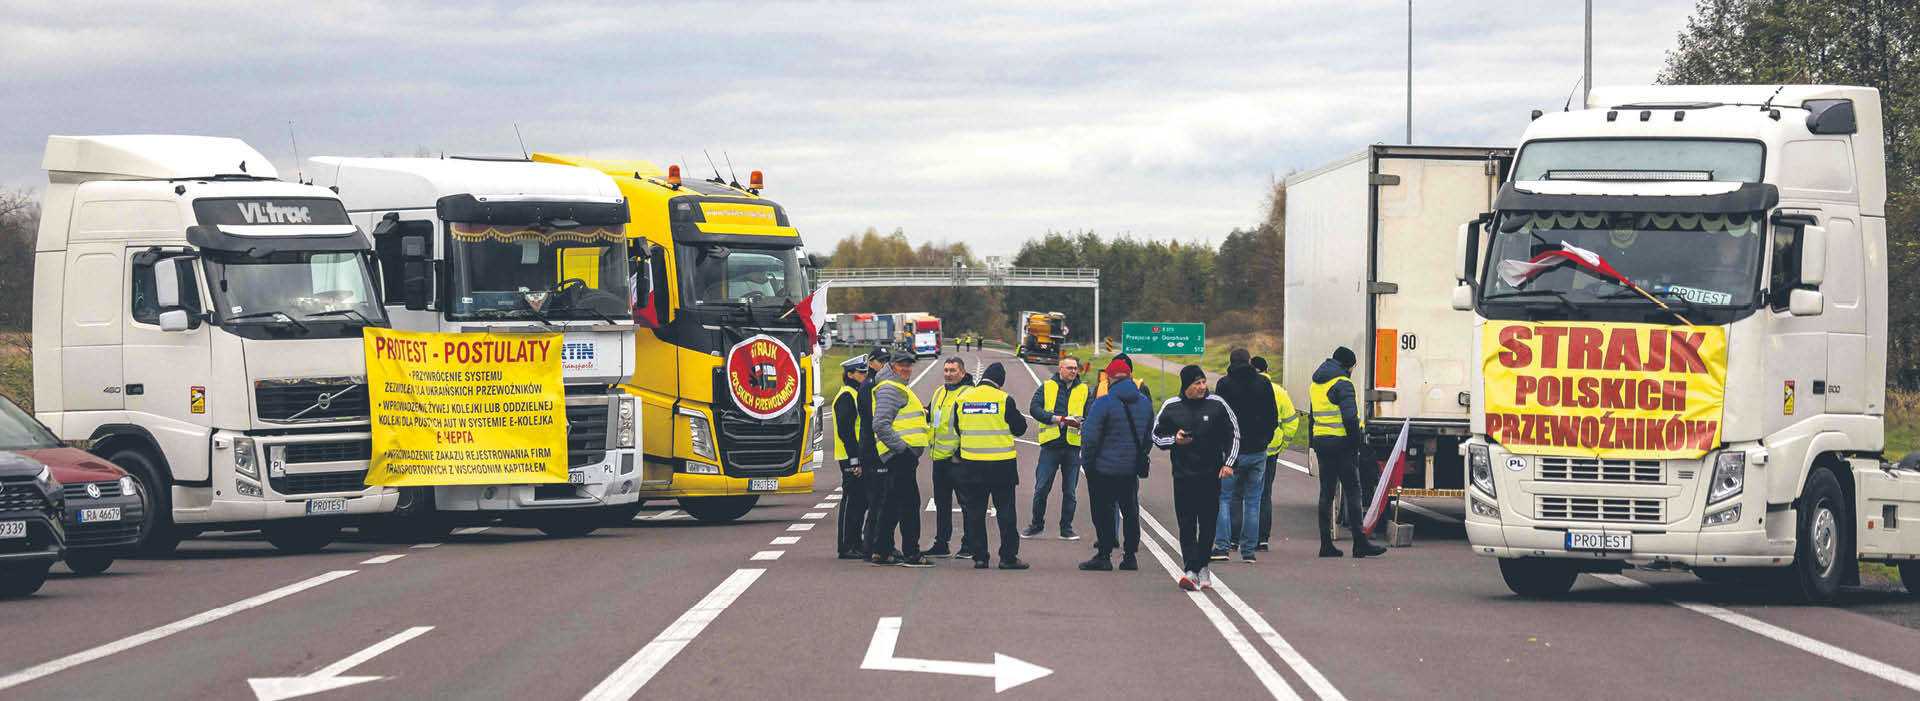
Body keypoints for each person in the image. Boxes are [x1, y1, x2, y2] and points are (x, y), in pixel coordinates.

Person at [1152, 365, 1239, 591]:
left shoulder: (1218, 404)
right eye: (1196, 384)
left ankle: (1203, 566)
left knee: (1208, 523)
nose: (1202, 387)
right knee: (1187, 524)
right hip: (1183, 476)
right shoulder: (1171, 407)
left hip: (1211, 475)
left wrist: (1229, 464)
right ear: (1186, 386)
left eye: (1203, 382)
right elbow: (1156, 436)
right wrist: (1174, 439)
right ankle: (1191, 570)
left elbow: (1234, 434)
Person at [952, 362, 1030, 570]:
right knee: (1006, 512)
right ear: (1000, 382)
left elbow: (957, 428)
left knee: (975, 513)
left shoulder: (963, 399)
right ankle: (1008, 557)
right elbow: (1020, 429)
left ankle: (980, 557)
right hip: (1001, 466)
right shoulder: (1004, 399)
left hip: (971, 465)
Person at [1311, 347, 1387, 559]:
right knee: (1353, 491)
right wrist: (1356, 444)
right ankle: (1359, 543)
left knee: (1326, 493)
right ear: (1348, 365)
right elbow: (1350, 418)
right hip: (1342, 444)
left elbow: (1313, 416)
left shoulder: (1316, 383)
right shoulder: (1343, 383)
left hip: (1321, 441)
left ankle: (1326, 545)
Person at [1078, 357, 1152, 572]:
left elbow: (1090, 437)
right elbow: (1148, 436)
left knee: (1103, 511)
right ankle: (1130, 557)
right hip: (1130, 470)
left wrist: (1088, 463)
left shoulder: (1104, 403)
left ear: (1109, 378)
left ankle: (1104, 555)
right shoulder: (1145, 403)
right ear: (1130, 376)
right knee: (1130, 511)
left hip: (1104, 468)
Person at [868, 350, 935, 567]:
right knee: (910, 504)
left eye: (909, 365)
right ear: (892, 366)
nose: (906, 369)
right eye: (902, 365)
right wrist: (903, 450)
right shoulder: (890, 388)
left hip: (899, 456)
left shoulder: (896, 386)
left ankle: (881, 550)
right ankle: (911, 553)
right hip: (899, 456)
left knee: (892, 503)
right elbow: (880, 423)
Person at [1211, 348, 1278, 563]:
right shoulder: (1263, 384)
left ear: (1231, 362)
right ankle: (1249, 551)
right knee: (1253, 500)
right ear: (1249, 361)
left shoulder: (1224, 384)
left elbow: (1218, 417)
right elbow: (1272, 417)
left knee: (1225, 498)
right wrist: (1264, 440)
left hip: (1231, 452)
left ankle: (1222, 546)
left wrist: (1222, 445)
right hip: (1258, 450)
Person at [1024, 356, 1087, 540]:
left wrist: (1082, 422)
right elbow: (1034, 408)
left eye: (1075, 368)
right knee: (1041, 488)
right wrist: (1055, 419)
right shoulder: (1047, 386)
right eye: (1069, 368)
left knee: (1070, 491)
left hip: (1073, 447)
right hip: (1050, 446)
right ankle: (1036, 525)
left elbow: (1091, 412)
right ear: (1060, 369)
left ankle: (1066, 528)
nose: (1073, 371)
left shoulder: (1084, 389)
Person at [1251, 356, 1301, 551]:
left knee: (1245, 495)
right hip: (1272, 450)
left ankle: (1238, 538)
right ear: (1266, 369)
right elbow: (1291, 421)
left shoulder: (1246, 389)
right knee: (1265, 494)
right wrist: (1283, 443)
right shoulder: (1279, 391)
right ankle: (1262, 539)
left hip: (1249, 449)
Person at [925, 357, 973, 558]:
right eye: (946, 370)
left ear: (962, 372)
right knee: (942, 503)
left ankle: (969, 544)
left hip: (958, 460)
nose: (948, 374)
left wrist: (959, 454)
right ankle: (941, 543)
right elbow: (931, 416)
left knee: (967, 504)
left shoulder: (968, 393)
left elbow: (971, 427)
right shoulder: (939, 392)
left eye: (953, 370)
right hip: (939, 458)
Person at [834, 354, 873, 560]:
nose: (865, 375)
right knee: (851, 503)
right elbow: (846, 431)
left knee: (860, 502)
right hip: (850, 457)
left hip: (857, 456)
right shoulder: (846, 396)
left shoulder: (856, 393)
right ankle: (847, 546)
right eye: (861, 372)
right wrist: (854, 460)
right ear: (850, 374)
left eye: (866, 372)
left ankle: (855, 543)